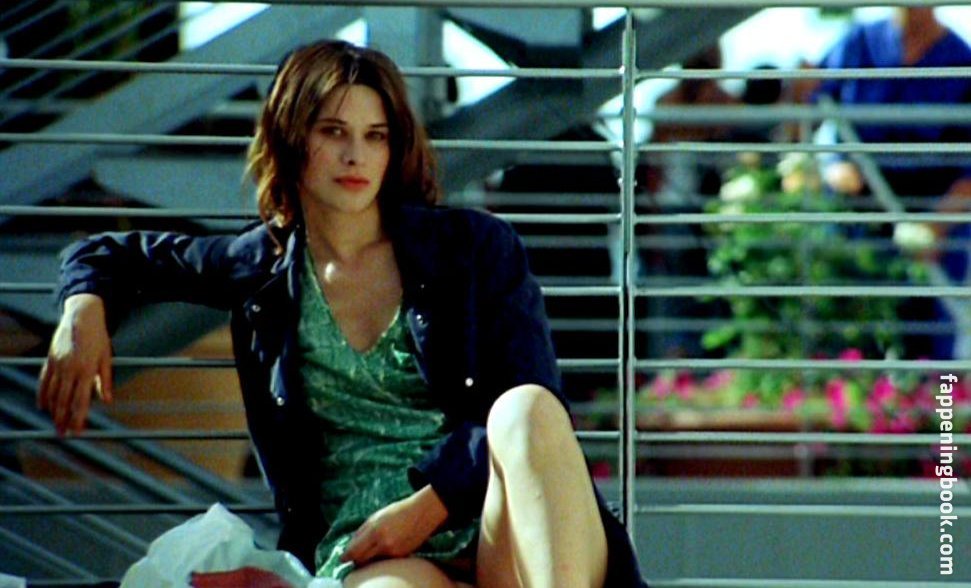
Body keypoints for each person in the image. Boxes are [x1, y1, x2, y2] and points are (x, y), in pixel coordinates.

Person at [35, 40, 646, 587]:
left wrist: (432, 502)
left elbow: (537, 397)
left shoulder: (473, 249)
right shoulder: (261, 270)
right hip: (375, 551)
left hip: (502, 525)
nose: (356, 155)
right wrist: (81, 312)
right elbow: (106, 255)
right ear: (291, 137)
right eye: (334, 132)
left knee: (526, 408)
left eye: (375, 135)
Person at [797, 7, 971, 358]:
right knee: (852, 340)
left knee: (930, 348)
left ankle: (944, 396)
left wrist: (936, 227)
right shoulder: (858, 43)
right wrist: (830, 164)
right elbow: (808, 109)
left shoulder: (960, 61)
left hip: (933, 224)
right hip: (857, 218)